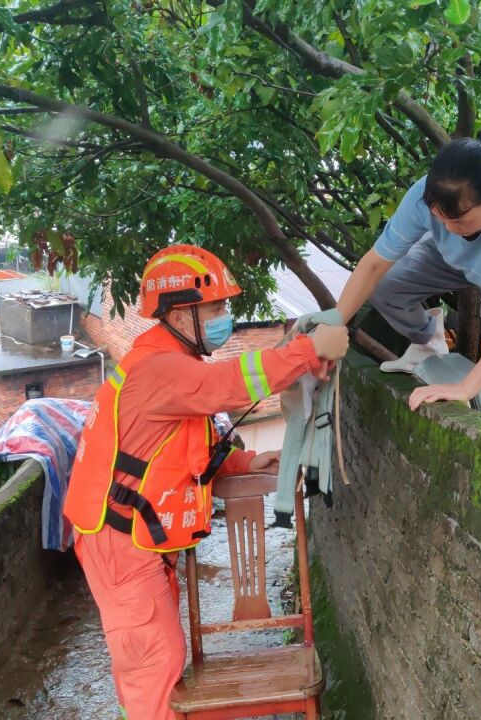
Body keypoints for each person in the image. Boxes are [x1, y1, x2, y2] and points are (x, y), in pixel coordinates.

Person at [63, 245, 349, 720]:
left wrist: (246, 463)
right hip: (120, 541)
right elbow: (230, 385)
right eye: (215, 308)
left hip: (130, 537)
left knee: (157, 657)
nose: (225, 318)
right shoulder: (161, 369)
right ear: (180, 314)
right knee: (154, 662)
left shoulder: (168, 362)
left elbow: (182, 453)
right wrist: (308, 350)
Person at [334, 130, 481, 433]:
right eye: (439, 219)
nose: (447, 227)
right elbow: (375, 263)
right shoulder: (428, 199)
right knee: (385, 284)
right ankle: (429, 342)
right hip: (456, 261)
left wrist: (465, 388)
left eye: (458, 220)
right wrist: (334, 321)